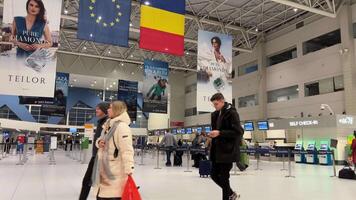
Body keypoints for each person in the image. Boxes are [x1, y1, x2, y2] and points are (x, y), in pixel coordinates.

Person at [92, 101, 135, 200]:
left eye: (110, 108)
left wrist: (129, 170)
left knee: (109, 196)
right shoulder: (108, 124)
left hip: (114, 172)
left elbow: (127, 150)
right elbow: (99, 139)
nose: (108, 109)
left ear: (116, 110)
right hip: (104, 170)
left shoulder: (122, 127)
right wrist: (99, 143)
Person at [208, 93, 243, 200]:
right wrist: (213, 135)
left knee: (224, 178)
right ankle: (231, 193)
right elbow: (217, 131)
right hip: (216, 151)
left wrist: (220, 133)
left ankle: (228, 197)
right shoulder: (215, 114)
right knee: (214, 175)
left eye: (216, 104)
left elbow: (239, 132)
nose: (215, 106)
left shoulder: (231, 113)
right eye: (214, 105)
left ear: (222, 101)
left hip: (227, 151)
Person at [79, 102, 109, 200]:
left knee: (92, 181)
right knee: (88, 181)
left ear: (104, 110)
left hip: (101, 158)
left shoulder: (107, 122)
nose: (96, 110)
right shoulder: (100, 122)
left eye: (98, 109)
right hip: (95, 156)